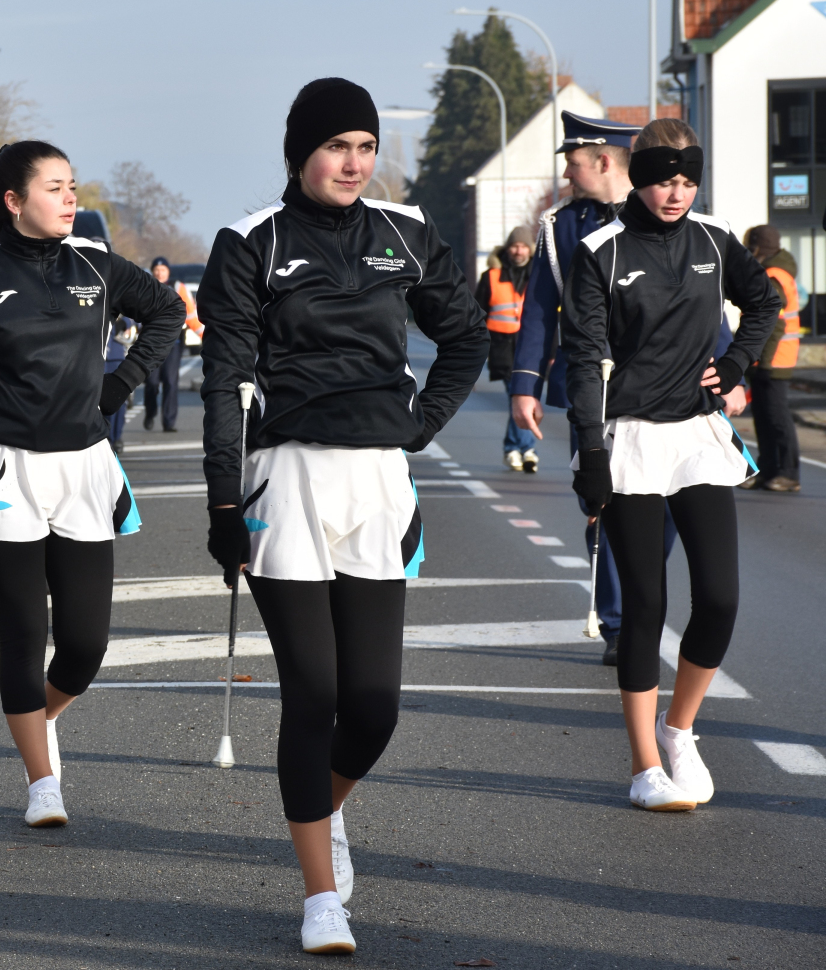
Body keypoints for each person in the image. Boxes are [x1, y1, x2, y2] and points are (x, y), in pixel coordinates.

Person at [198, 78, 487, 955]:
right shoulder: (250, 242)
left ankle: (324, 812)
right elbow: (224, 382)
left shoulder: (406, 233)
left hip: (377, 482)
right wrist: (223, 500)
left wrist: (421, 425)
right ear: (300, 154)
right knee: (314, 693)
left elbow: (466, 336)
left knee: (374, 707)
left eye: (365, 146)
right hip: (284, 478)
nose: (354, 163)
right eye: (336, 147)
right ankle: (321, 895)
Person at [0, 140, 183, 829]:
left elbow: (168, 313)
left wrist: (118, 386)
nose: (69, 198)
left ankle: (40, 717)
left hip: (83, 467)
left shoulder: (97, 263)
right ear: (13, 200)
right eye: (54, 187)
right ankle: (42, 782)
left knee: (86, 644)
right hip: (2, 469)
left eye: (72, 185)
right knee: (25, 633)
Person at [562, 119, 780, 813]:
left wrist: (737, 364)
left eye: (688, 182)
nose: (676, 194)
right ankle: (644, 765)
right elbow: (583, 360)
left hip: (696, 436)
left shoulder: (714, 239)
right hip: (629, 439)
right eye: (664, 181)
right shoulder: (600, 251)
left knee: (720, 597)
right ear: (639, 179)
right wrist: (590, 452)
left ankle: (678, 729)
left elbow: (765, 302)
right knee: (646, 605)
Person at [509, 112, 642, 664]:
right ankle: (619, 624)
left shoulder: (661, 210)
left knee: (662, 513)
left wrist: (728, 369)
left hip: (661, 385)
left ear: (604, 161)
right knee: (601, 504)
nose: (566, 174)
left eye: (573, 163)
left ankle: (641, 598)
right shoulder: (560, 225)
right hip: (589, 386)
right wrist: (525, 386)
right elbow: (540, 309)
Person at [742, 225, 802, 492]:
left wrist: (763, 364)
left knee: (776, 418)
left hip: (773, 361)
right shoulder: (774, 271)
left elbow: (774, 325)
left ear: (757, 247)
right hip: (769, 359)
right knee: (764, 416)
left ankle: (788, 473)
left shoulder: (772, 275)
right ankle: (767, 470)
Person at [477, 226, 538, 471]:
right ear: (507, 248)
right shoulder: (491, 276)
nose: (518, 251)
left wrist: (553, 353)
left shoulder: (539, 275)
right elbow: (477, 316)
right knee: (519, 395)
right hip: (502, 350)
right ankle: (527, 449)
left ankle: (513, 448)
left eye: (523, 246)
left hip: (531, 350)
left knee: (525, 397)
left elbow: (548, 317)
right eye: (514, 246)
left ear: (530, 249)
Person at [141, 256, 196, 432]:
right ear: (152, 271)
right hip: (150, 342)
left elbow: (191, 314)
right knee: (151, 382)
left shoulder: (178, 287)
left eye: (163, 269)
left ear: (168, 271)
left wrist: (205, 335)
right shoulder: (145, 286)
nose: (159, 273)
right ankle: (150, 412)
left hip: (174, 342)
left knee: (171, 382)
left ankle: (169, 422)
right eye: (156, 270)